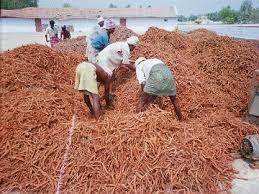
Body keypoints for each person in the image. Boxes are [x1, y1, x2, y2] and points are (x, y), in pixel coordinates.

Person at [95, 36, 139, 103]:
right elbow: (125, 63)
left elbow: (123, 59)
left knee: (108, 76)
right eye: (134, 47)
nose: (134, 49)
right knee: (103, 77)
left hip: (102, 57)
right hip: (104, 61)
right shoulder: (126, 49)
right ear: (132, 45)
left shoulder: (122, 44)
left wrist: (131, 61)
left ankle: (108, 92)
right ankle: (98, 95)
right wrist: (136, 69)